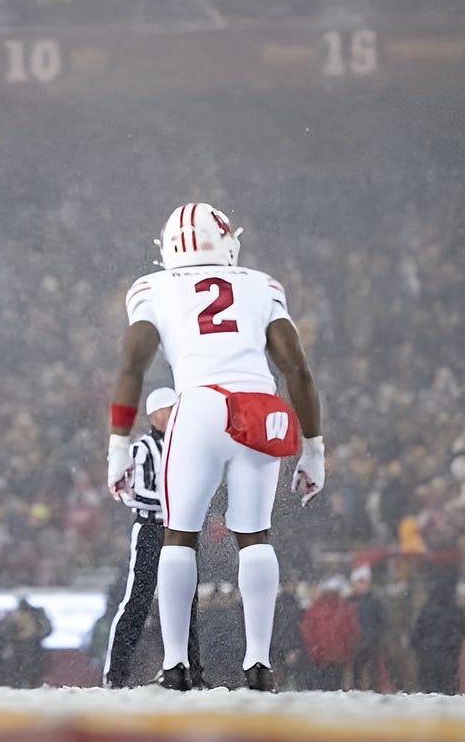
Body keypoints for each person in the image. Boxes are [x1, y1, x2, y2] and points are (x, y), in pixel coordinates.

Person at [106, 202, 324, 692]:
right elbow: (296, 368)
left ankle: (177, 666)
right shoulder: (261, 284)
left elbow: (132, 366)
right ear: (226, 241)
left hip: (199, 405)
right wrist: (314, 449)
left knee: (179, 535)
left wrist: (117, 447)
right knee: (255, 536)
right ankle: (259, 666)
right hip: (259, 403)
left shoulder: (152, 287)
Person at [102, 387, 204, 688]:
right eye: (170, 410)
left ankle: (190, 671)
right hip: (151, 529)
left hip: (181, 531)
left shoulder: (186, 447)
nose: (176, 416)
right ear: (156, 414)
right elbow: (136, 494)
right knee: (139, 600)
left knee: (186, 601)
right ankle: (116, 674)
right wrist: (175, 501)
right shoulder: (143, 448)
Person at [412, 576, 465, 694]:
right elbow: (460, 632)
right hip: (446, 656)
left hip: (429, 655)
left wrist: (420, 649)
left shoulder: (428, 609)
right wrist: (453, 648)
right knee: (447, 689)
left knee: (430, 690)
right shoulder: (455, 610)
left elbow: (417, 632)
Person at [347, 564, 388, 692]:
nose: (360, 585)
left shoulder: (374, 601)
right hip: (355, 644)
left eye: (363, 582)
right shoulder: (349, 601)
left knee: (373, 672)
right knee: (356, 671)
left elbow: (381, 621)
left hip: (371, 642)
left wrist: (375, 636)